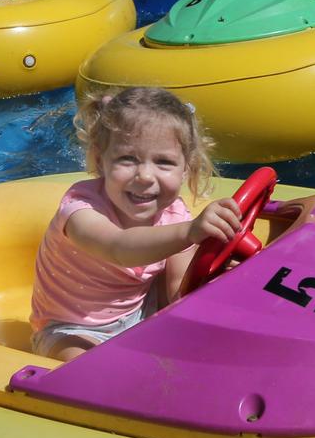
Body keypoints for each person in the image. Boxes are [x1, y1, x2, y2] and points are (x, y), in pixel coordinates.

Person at [29, 87, 242, 361]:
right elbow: (119, 248)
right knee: (79, 366)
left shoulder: (176, 215)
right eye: (127, 159)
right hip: (72, 328)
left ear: (185, 169)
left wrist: (219, 274)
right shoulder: (81, 209)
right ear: (99, 160)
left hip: (140, 313)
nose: (144, 176)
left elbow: (178, 292)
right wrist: (190, 233)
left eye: (164, 162)